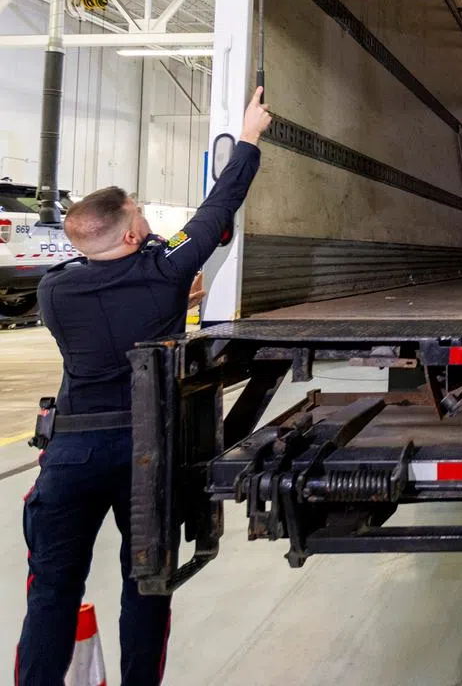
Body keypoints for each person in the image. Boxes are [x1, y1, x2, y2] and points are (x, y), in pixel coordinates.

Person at [16, 88, 271, 685]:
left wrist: (163, 293)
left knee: (51, 590)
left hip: (72, 454)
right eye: (140, 216)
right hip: (144, 452)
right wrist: (249, 137)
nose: (149, 221)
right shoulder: (165, 268)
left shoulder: (55, 290)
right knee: (147, 581)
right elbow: (217, 209)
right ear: (131, 234)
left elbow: (110, 293)